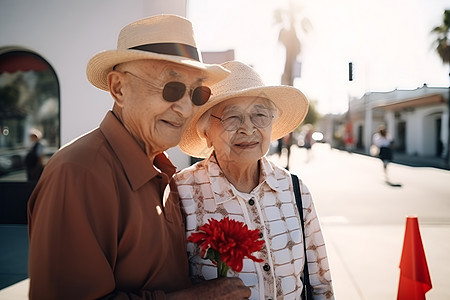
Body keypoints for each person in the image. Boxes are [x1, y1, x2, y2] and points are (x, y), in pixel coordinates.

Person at [27, 15, 251, 299]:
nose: (185, 108)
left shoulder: (162, 169)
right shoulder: (78, 172)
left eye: (197, 93)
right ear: (118, 88)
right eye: (172, 88)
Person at [174, 61, 334, 299]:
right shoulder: (180, 193)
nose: (247, 129)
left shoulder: (295, 189)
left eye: (259, 115)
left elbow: (320, 285)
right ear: (206, 132)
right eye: (232, 118)